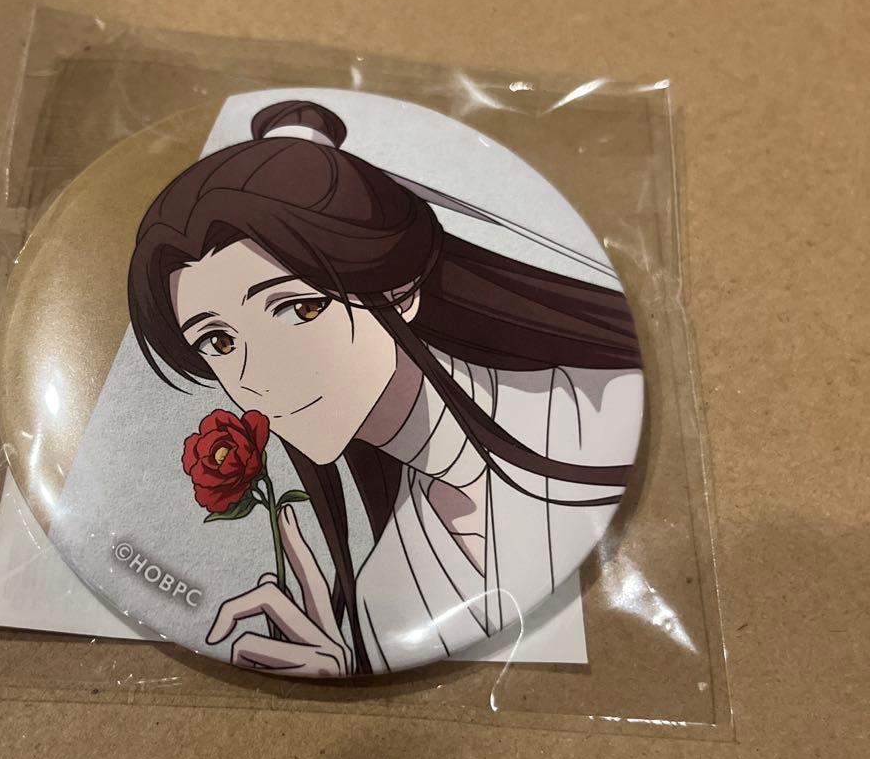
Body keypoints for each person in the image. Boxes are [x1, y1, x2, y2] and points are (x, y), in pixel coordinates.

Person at [128, 99, 643, 675]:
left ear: (400, 289)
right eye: (219, 341)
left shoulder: (602, 411)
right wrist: (348, 667)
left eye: (298, 308)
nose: (256, 377)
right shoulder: (382, 596)